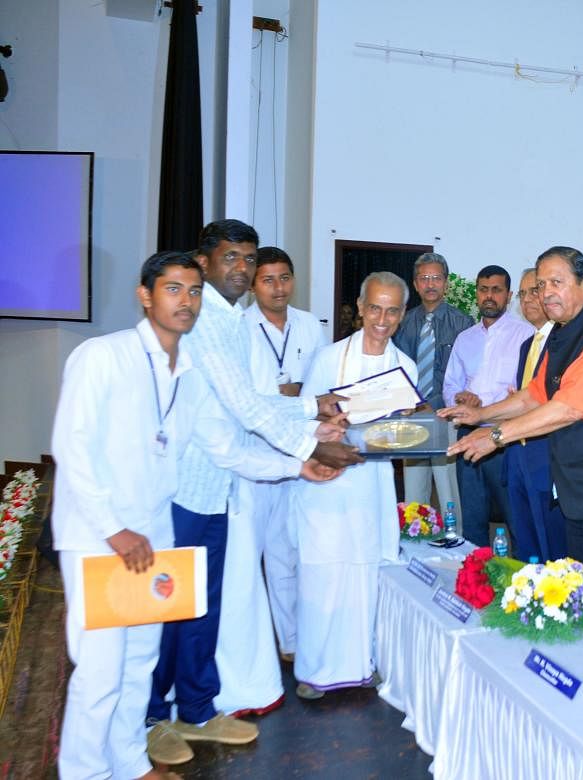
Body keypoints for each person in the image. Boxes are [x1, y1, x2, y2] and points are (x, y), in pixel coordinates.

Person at [51, 252, 337, 779]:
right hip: (100, 536)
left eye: (194, 292)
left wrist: (296, 468)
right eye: (173, 290)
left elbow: (223, 446)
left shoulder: (184, 370)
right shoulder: (102, 356)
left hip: (156, 530)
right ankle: (85, 772)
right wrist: (114, 529)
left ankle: (131, 763)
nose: (186, 301)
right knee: (100, 669)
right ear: (145, 295)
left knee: (139, 662)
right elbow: (71, 448)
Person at [146, 220, 359, 753]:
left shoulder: (225, 317)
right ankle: (154, 721)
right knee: (171, 610)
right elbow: (243, 405)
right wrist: (309, 448)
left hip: (218, 488)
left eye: (248, 258)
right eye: (230, 258)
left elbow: (252, 400)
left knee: (202, 606)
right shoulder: (205, 321)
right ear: (203, 260)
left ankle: (196, 709)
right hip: (184, 492)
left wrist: (311, 412)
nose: (241, 269)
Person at [442, 247, 583, 642]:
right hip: (580, 495)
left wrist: (496, 436)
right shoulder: (562, 333)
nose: (545, 294)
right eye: (541, 285)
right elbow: (534, 394)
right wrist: (482, 414)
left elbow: (567, 408)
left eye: (556, 283)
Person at [291, 272, 416, 700]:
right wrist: (329, 424)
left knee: (367, 573)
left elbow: (406, 431)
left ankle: (364, 663)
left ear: (402, 314)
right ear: (360, 308)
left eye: (392, 310)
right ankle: (316, 670)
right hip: (328, 482)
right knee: (324, 573)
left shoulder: (406, 366)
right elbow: (303, 419)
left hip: (373, 483)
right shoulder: (328, 359)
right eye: (375, 308)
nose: (382, 319)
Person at [239, 246, 327, 663]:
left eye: (285, 278)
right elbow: (243, 399)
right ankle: (251, 650)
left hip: (303, 449)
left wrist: (305, 398)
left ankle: (291, 642)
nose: (278, 287)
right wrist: (284, 395)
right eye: (268, 279)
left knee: (291, 550)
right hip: (256, 456)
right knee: (252, 554)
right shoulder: (240, 327)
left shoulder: (309, 325)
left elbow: (321, 382)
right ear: (253, 285)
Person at [442, 265, 533, 544]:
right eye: (483, 290)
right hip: (468, 436)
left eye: (496, 290)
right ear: (477, 294)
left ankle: (520, 581)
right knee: (471, 518)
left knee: (515, 515)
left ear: (508, 296)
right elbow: (450, 386)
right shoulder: (464, 338)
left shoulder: (526, 335)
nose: (489, 296)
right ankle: (475, 580)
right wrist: (461, 399)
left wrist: (494, 406)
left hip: (506, 438)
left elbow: (529, 392)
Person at [392, 252, 472, 508]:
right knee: (414, 493)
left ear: (446, 283)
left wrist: (434, 405)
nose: (430, 284)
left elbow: (466, 374)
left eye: (436, 278)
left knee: (450, 493)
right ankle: (417, 543)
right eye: (424, 278)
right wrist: (415, 404)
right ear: (415, 284)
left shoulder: (463, 323)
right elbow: (397, 370)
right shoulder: (403, 322)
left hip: (447, 418)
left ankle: (456, 543)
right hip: (412, 416)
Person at [504, 268, 567, 562]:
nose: (529, 299)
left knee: (552, 544)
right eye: (523, 294)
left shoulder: (566, 341)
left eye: (535, 291)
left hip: (548, 454)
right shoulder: (527, 346)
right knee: (525, 541)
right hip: (518, 452)